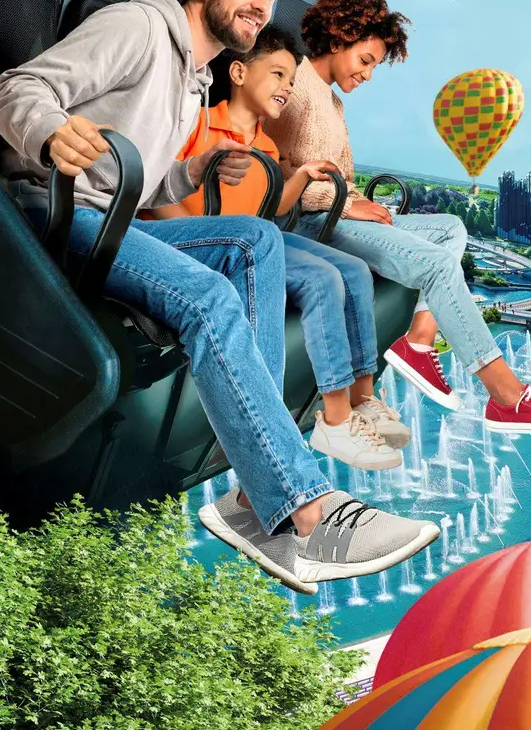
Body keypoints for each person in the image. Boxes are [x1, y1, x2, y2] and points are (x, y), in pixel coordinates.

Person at [0, 0, 437, 595]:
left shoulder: (193, 73)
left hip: (114, 215)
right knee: (211, 298)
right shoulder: (139, 28)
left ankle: (259, 494)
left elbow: (144, 176)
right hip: (58, 215)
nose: (262, 4)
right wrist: (52, 132)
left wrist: (192, 169)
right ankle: (301, 509)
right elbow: (13, 90)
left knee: (254, 242)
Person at [266, 0, 531, 435]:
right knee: (435, 265)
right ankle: (506, 396)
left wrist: (357, 202)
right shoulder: (293, 82)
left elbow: (342, 175)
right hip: (305, 224)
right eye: (365, 61)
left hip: (335, 213)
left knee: (452, 227)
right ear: (338, 37)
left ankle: (418, 340)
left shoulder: (332, 100)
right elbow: (274, 174)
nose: (368, 75)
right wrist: (342, 204)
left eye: (374, 65)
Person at [145, 24, 407, 472]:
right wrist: (205, 235)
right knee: (323, 279)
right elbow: (157, 189)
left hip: (253, 238)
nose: (287, 86)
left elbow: (270, 206)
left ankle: (361, 396)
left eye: (291, 79)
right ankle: (335, 417)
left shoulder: (266, 145)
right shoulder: (201, 124)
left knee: (355, 272)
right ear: (240, 72)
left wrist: (302, 175)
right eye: (278, 75)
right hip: (206, 243)